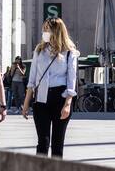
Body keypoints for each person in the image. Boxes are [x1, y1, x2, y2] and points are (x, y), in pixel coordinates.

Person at [23, 17, 79, 158]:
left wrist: (67, 104)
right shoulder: (39, 50)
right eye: (44, 29)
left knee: (57, 144)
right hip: (41, 98)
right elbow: (32, 79)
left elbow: (71, 80)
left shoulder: (69, 53)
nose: (44, 32)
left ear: (56, 31)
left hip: (60, 97)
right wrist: (25, 104)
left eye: (47, 29)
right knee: (43, 142)